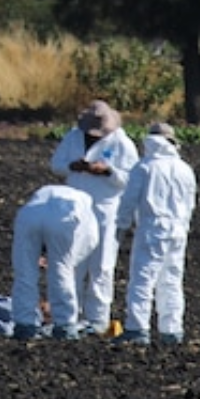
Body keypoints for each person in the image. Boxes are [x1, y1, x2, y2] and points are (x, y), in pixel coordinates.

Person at [49, 100, 139, 335]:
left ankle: (98, 319)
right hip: (74, 208)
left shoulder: (121, 143)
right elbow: (56, 165)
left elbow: (131, 178)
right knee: (73, 262)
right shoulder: (73, 137)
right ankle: (70, 316)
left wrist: (107, 171)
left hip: (106, 209)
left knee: (102, 264)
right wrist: (74, 166)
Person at [115, 122, 197, 346]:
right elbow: (190, 203)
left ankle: (137, 328)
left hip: (152, 227)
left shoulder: (144, 167)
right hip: (178, 229)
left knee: (143, 278)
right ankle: (172, 330)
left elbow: (129, 201)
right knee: (171, 280)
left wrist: (121, 226)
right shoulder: (185, 169)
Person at [11, 184, 100, 340]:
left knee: (24, 272)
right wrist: (64, 259)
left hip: (29, 215)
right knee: (62, 269)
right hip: (63, 217)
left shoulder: (45, 194)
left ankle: (24, 325)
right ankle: (65, 325)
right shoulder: (86, 212)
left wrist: (42, 254)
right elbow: (88, 243)